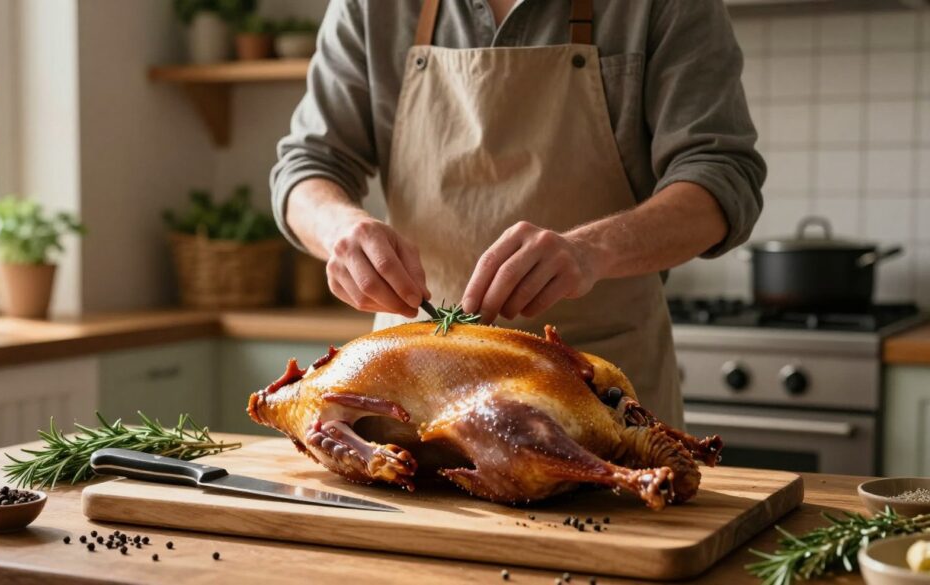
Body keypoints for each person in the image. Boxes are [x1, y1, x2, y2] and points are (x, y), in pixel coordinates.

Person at [270, 0, 765, 425]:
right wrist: (342, 228)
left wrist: (591, 250)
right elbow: (308, 166)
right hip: (415, 389)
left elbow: (722, 176)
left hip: (603, 393)